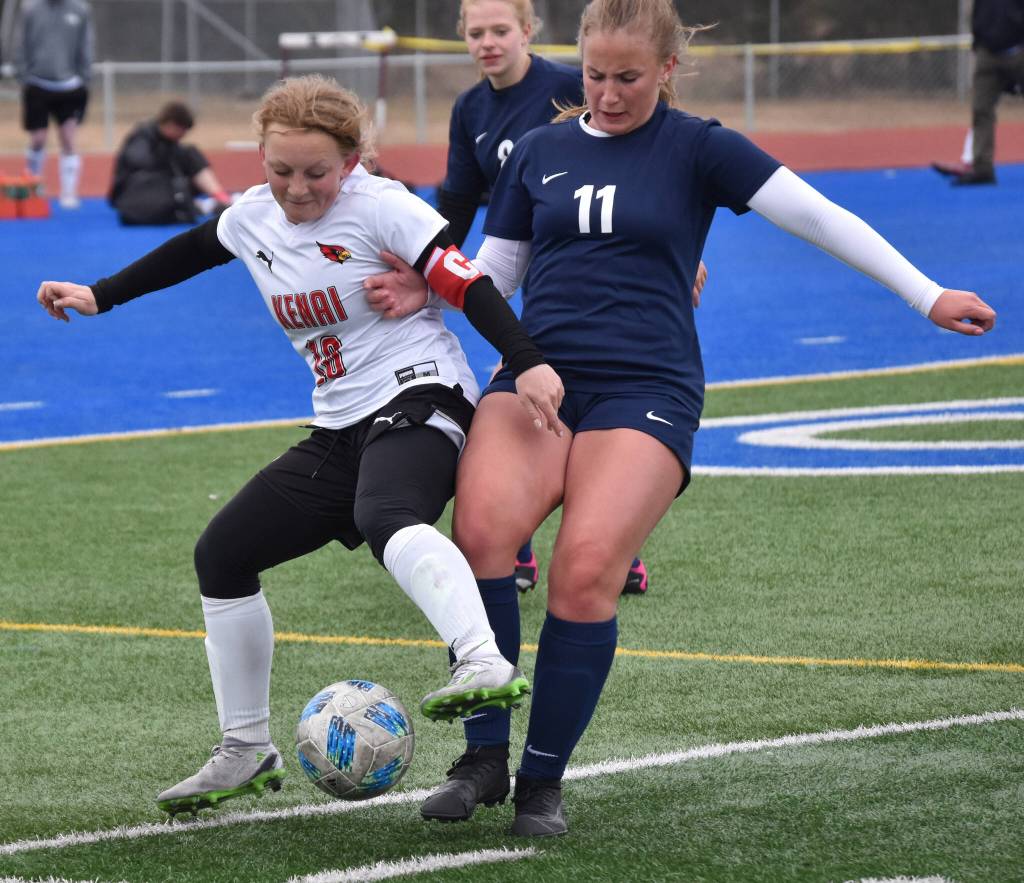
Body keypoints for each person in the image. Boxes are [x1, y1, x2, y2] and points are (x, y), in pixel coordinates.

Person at [363, 0, 996, 837]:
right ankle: (483, 757)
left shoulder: (703, 146)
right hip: (538, 376)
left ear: (667, 69)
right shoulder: (541, 150)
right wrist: (430, 287)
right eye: (594, 75)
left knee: (584, 572)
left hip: (646, 385)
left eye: (629, 77)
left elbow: (819, 217)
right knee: (481, 536)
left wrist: (926, 293)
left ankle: (541, 782)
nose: (610, 93)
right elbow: (500, 269)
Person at [36, 74, 565, 817]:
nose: (296, 188)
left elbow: (467, 282)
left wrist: (528, 356)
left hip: (424, 393)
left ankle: (481, 658)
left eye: (315, 172)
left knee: (387, 513)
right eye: (280, 170)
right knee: (222, 553)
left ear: (350, 160)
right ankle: (245, 747)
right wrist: (100, 293)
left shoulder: (382, 205)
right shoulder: (253, 216)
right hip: (340, 422)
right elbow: (191, 249)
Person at [437, 0, 702, 596]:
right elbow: (459, 204)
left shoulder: (575, 85)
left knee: (591, 476)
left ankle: (614, 545)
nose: (488, 42)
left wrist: (679, 250)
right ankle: (516, 553)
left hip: (631, 330)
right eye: (476, 33)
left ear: (528, 32)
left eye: (500, 29)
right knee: (520, 410)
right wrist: (427, 272)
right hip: (545, 288)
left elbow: (640, 168)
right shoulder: (471, 109)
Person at [932, 0, 1024, 185]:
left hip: (1018, 52)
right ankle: (982, 168)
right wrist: (978, 44)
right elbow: (976, 16)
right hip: (988, 54)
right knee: (981, 110)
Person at [13, 0, 94, 208]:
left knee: (68, 138)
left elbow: (86, 43)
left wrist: (85, 76)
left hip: (70, 85)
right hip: (38, 83)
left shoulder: (80, 10)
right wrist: (22, 72)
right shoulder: (30, 8)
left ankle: (68, 193)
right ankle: (34, 188)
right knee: (38, 138)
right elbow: (20, 42)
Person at [109, 100, 234, 225]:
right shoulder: (142, 138)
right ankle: (210, 202)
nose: (183, 136)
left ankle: (220, 198)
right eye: (182, 131)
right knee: (186, 158)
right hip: (134, 193)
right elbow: (141, 162)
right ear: (171, 125)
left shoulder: (167, 143)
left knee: (190, 153)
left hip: (158, 190)